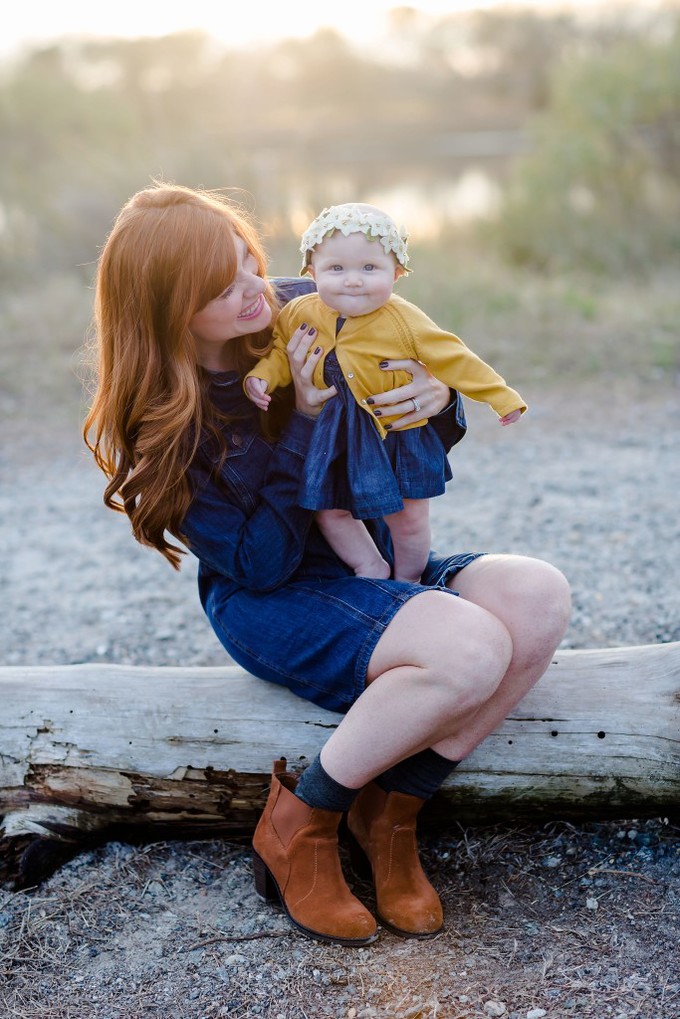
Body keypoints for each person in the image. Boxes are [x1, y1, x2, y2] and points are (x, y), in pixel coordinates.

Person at [84, 182, 571, 947]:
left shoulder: (314, 306)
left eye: (250, 261)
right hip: (273, 597)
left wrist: (437, 398)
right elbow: (263, 561)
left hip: (367, 562)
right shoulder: (162, 425)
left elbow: (414, 412)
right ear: (168, 308)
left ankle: (394, 811)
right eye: (223, 287)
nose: (258, 291)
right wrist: (303, 424)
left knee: (537, 596)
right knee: (469, 647)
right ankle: (301, 826)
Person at [245, 203, 527, 582]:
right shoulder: (300, 312)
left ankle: (409, 578)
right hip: (336, 431)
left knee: (409, 517)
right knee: (330, 509)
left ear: (397, 273)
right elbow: (282, 350)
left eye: (369, 268)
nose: (353, 280)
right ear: (312, 273)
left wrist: (501, 397)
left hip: (395, 431)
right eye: (336, 269)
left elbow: (454, 358)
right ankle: (369, 565)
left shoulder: (404, 320)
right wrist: (262, 376)